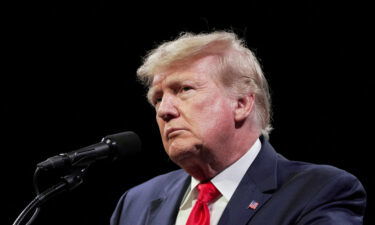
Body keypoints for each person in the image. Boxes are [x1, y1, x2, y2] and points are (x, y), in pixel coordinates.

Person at [110, 31, 366, 225]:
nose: (164, 110)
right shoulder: (135, 203)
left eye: (184, 89)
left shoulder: (318, 191)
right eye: (157, 99)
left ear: (242, 103)